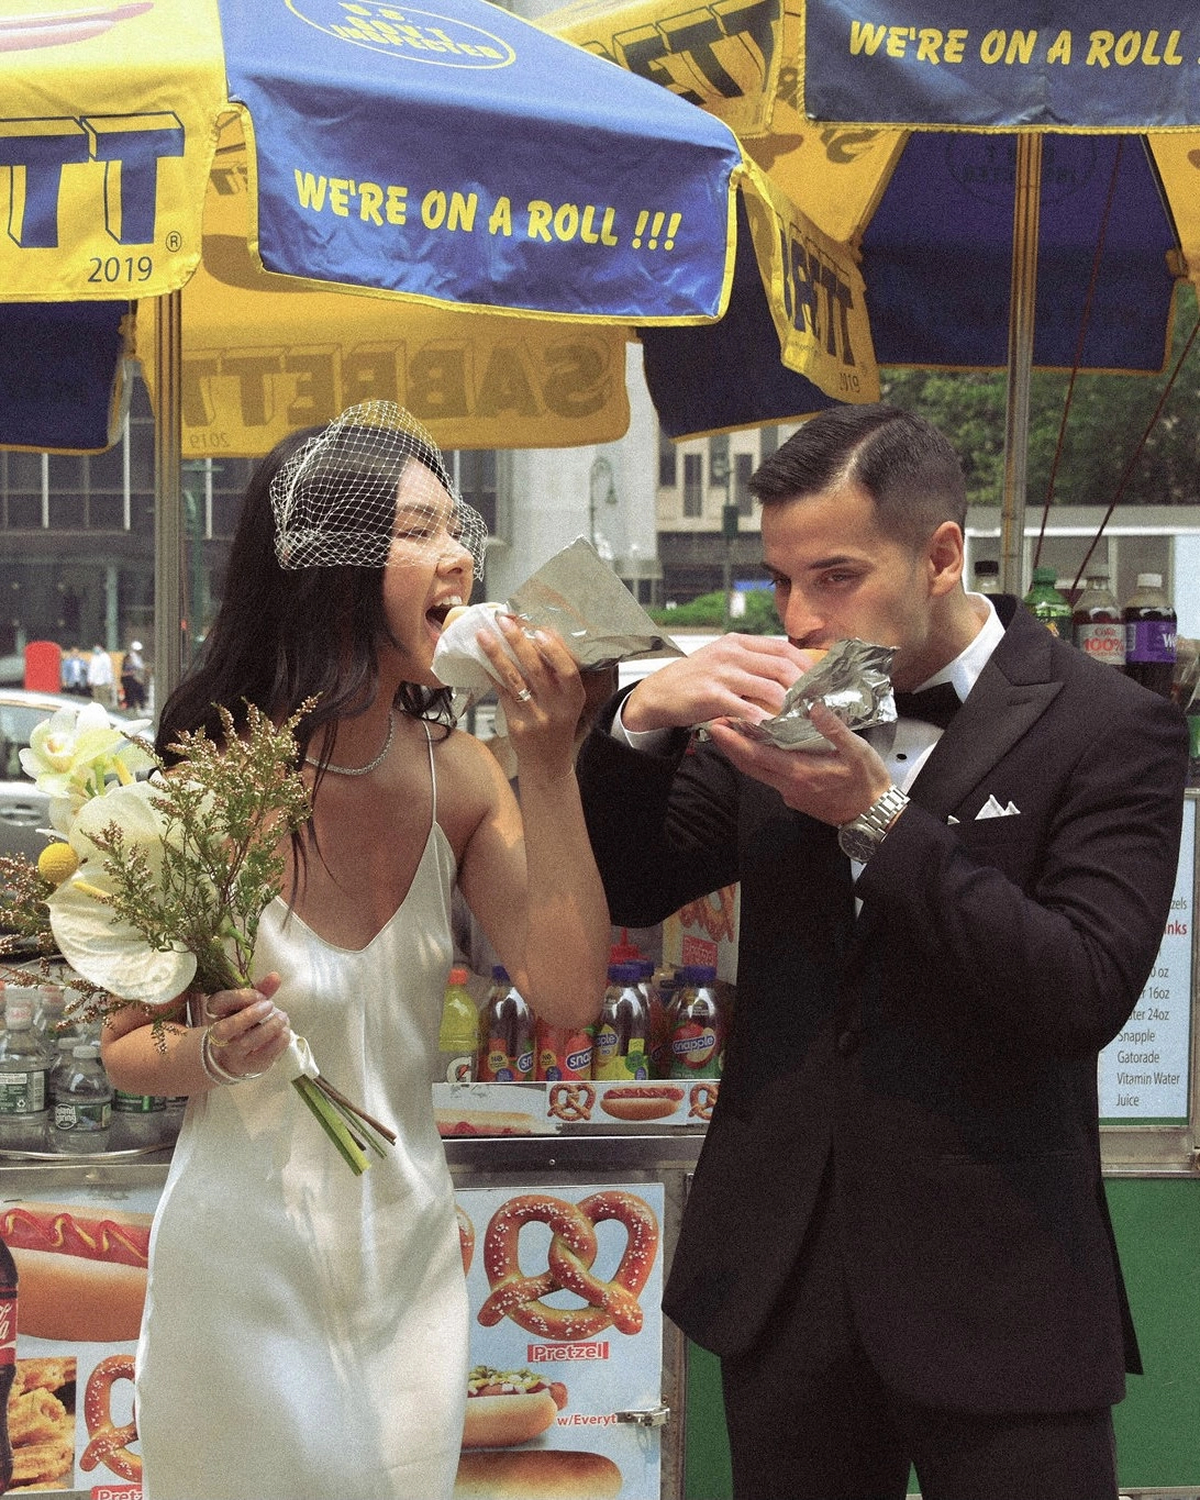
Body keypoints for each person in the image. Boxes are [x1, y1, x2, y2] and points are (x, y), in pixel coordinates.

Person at [575, 403, 1189, 1500]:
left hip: (1003, 1282)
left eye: (836, 577)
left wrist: (878, 820)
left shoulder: (1107, 724)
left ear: (941, 556)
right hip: (784, 1271)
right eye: (781, 581)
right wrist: (638, 723)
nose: (802, 618)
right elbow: (633, 885)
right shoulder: (782, 706)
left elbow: (1082, 986)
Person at [100, 401, 610, 1500]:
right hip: (240, 1265)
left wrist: (551, 766)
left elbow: (570, 994)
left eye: (456, 528)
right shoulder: (207, 785)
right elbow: (127, 1048)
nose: (459, 556)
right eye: (418, 531)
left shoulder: (461, 776)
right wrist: (213, 1053)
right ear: (326, 570)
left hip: (406, 1262)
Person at [120, 639, 147, 710]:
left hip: (137, 678)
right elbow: (130, 667)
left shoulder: (138, 657)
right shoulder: (129, 657)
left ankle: (140, 705)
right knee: (130, 693)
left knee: (139, 692)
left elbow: (140, 666)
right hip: (130, 679)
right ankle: (131, 706)